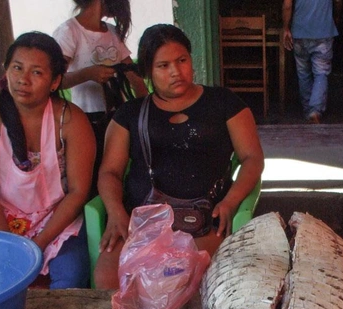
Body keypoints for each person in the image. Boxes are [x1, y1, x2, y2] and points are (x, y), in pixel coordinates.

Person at [94, 24, 264, 289]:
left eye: (182, 60)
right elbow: (110, 172)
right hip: (141, 222)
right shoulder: (130, 114)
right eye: (163, 66)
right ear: (148, 71)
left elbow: (252, 158)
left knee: (179, 283)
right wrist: (116, 213)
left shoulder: (225, 103)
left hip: (204, 221)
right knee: (107, 278)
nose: (176, 72)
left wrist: (231, 202)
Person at [0, 32, 95, 289]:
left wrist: (39, 243)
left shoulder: (71, 121)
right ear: (6, 70)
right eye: (17, 68)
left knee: (70, 278)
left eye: (37, 72)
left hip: (57, 220)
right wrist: (11, 244)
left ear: (54, 81)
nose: (23, 80)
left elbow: (77, 192)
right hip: (3, 219)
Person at [53, 0, 148, 197]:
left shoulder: (112, 33)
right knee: (91, 178)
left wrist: (148, 107)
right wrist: (87, 74)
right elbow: (54, 80)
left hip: (115, 118)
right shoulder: (70, 32)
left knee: (116, 173)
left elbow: (134, 77)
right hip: (84, 120)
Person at [282, 0, 341, 123]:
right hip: (324, 31)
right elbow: (338, 2)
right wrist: (336, 17)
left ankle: (307, 110)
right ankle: (315, 110)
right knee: (321, 72)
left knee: (303, 73)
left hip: (300, 31)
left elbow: (287, 5)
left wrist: (286, 28)